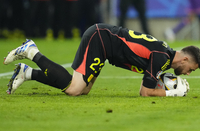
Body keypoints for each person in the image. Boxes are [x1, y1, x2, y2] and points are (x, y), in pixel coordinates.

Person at [4, 23, 199, 97]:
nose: (189, 73)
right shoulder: (161, 57)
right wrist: (172, 93)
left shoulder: (164, 57)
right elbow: (145, 92)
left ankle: (27, 72)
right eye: (191, 68)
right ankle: (31, 52)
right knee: (74, 89)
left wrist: (170, 84)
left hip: (106, 48)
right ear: (185, 59)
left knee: (84, 90)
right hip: (101, 39)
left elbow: (153, 78)